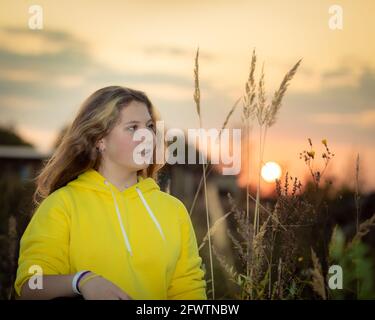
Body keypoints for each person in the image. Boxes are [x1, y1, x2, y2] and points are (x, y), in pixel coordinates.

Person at [14, 86, 207, 300]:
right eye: (133, 127)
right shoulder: (63, 205)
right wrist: (81, 281)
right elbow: (30, 285)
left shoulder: (173, 210)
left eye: (150, 126)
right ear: (100, 140)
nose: (147, 136)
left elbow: (189, 291)